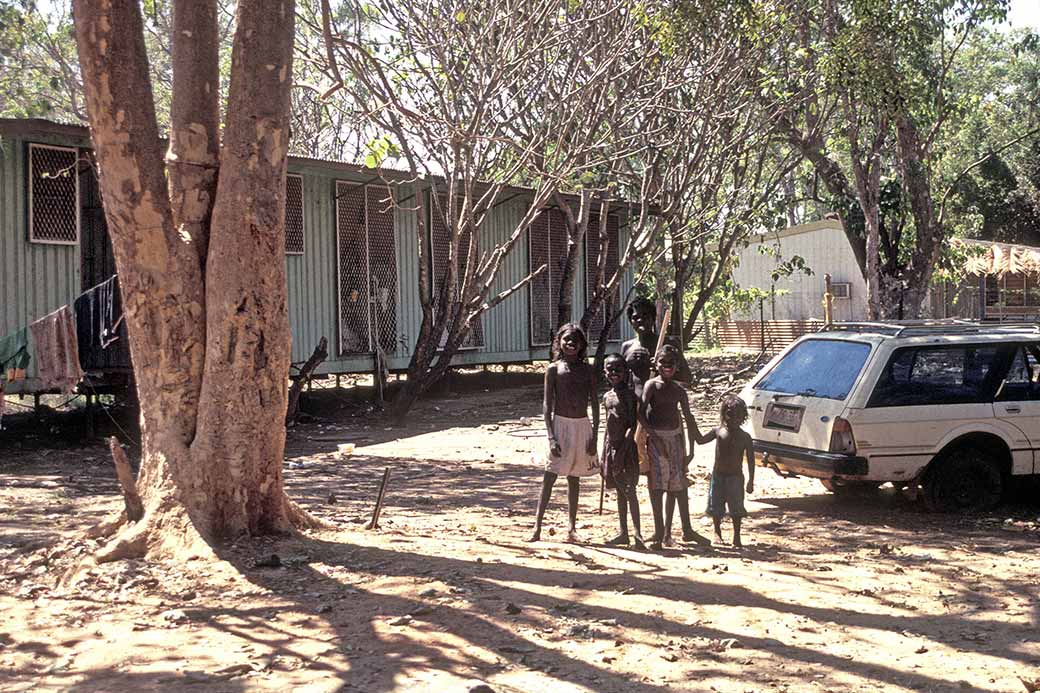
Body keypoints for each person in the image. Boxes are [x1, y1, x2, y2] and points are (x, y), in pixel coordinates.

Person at [529, 323, 599, 543]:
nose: (570, 344)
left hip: (582, 425)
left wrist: (595, 436)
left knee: (574, 478)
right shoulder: (553, 369)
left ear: (582, 345)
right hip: (560, 426)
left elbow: (595, 404)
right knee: (549, 476)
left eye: (575, 341)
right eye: (566, 339)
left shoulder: (587, 370)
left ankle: (571, 528)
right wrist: (551, 437)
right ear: (559, 342)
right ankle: (537, 527)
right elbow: (547, 406)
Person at [640, 345, 710, 549]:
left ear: (677, 366)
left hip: (676, 440)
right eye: (663, 362)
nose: (667, 367)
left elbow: (688, 417)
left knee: (677, 486)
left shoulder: (679, 391)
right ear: (656, 364)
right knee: (657, 486)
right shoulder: (651, 386)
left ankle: (680, 531)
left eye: (671, 363)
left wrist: (692, 449)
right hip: (657, 440)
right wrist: (653, 437)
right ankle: (659, 531)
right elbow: (641, 413)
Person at [600, 354, 645, 549]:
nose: (614, 373)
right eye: (610, 369)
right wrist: (605, 454)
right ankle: (623, 533)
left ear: (626, 372)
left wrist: (622, 451)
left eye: (618, 369)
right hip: (611, 447)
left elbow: (632, 425)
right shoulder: (606, 396)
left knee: (629, 491)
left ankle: (638, 533)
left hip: (626, 449)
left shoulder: (629, 395)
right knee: (619, 491)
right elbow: (607, 426)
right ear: (605, 372)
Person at [698, 395, 755, 548]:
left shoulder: (745, 437)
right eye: (730, 414)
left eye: (738, 415)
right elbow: (700, 440)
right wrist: (690, 422)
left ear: (743, 416)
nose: (734, 419)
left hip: (736, 477)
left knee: (736, 508)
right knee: (716, 506)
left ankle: (736, 536)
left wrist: (751, 481)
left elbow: (751, 460)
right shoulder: (718, 431)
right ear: (724, 414)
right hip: (718, 476)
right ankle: (717, 532)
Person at [621, 297, 691, 384]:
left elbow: (687, 377)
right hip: (636, 397)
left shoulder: (669, 344)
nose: (640, 320)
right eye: (635, 318)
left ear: (653, 319)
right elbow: (621, 380)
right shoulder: (627, 347)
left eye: (645, 316)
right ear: (631, 322)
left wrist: (662, 368)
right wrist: (628, 364)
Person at [624, 345, 653, 474]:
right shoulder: (627, 346)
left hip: (655, 409)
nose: (639, 323)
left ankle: (656, 492)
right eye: (635, 321)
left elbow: (685, 377)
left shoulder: (661, 343)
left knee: (655, 455)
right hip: (633, 408)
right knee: (637, 455)